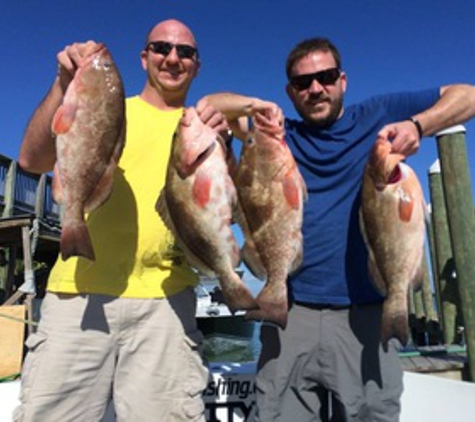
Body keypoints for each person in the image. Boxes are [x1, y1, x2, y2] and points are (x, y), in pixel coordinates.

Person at [202, 37, 475, 421]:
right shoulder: (277, 136)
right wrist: (256, 106)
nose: (316, 88)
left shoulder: (379, 115)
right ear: (290, 92)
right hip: (289, 314)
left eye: (326, 77)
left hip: (364, 315)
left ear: (343, 80)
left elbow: (467, 95)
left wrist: (419, 125)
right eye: (303, 83)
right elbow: (206, 106)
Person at [15, 19, 231, 422]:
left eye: (185, 52)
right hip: (78, 293)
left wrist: (225, 148)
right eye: (162, 48)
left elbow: (221, 208)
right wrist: (64, 82)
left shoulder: (200, 128)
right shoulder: (107, 105)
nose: (172, 58)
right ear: (144, 57)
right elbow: (31, 160)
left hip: (166, 302)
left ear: (197, 66)